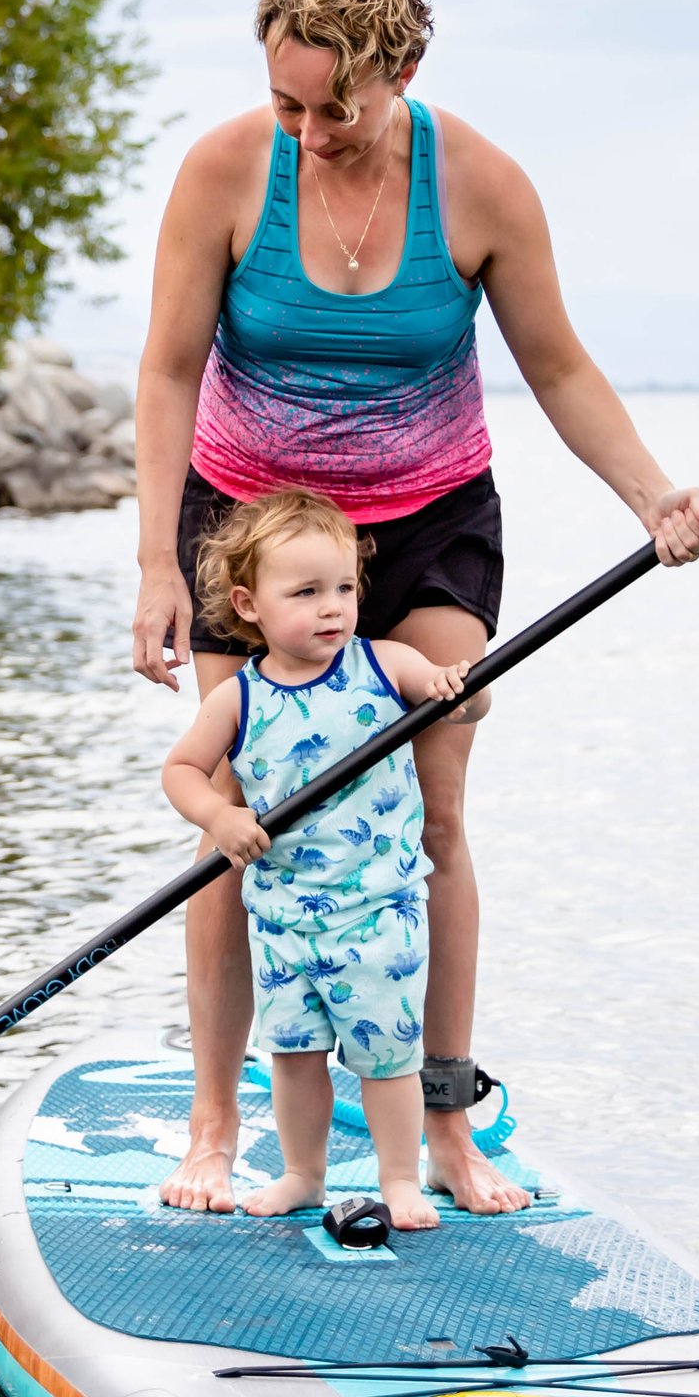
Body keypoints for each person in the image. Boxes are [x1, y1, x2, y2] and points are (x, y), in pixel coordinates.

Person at [132, 0, 699, 1212]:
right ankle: (214, 1126)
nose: (306, 132)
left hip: (426, 523)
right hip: (251, 530)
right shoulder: (227, 171)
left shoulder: (482, 188)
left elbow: (558, 367)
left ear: (399, 70)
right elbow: (170, 369)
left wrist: (652, 499)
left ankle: (446, 1123)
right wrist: (155, 564)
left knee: (434, 814)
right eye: (285, 103)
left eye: (331, 109)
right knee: (237, 812)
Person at [161, 487, 466, 1229]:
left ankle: (401, 1179)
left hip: (380, 914)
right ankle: (303, 1173)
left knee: (388, 1059)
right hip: (283, 921)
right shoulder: (238, 699)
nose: (332, 608)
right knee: (294, 1057)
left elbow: (462, 700)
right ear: (250, 605)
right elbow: (181, 771)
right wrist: (221, 816)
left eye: (343, 589)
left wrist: (456, 690)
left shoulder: (386, 665)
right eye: (306, 593)